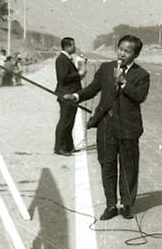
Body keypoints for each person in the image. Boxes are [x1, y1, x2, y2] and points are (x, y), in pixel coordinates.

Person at [64, 35, 150, 220]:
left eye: (127, 51)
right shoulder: (106, 68)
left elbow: (139, 96)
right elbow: (92, 89)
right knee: (107, 166)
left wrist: (123, 82)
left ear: (135, 55)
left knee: (129, 168)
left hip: (128, 129)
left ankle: (127, 204)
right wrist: (76, 96)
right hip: (106, 127)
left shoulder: (141, 75)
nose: (122, 53)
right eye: (120, 49)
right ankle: (111, 205)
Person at [53, 37, 85, 156]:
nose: (75, 47)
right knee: (65, 122)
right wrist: (79, 73)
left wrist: (78, 74)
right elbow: (63, 77)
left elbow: (68, 76)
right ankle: (59, 147)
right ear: (67, 47)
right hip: (66, 94)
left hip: (70, 94)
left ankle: (68, 146)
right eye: (73, 45)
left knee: (69, 121)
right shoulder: (61, 59)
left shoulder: (66, 59)